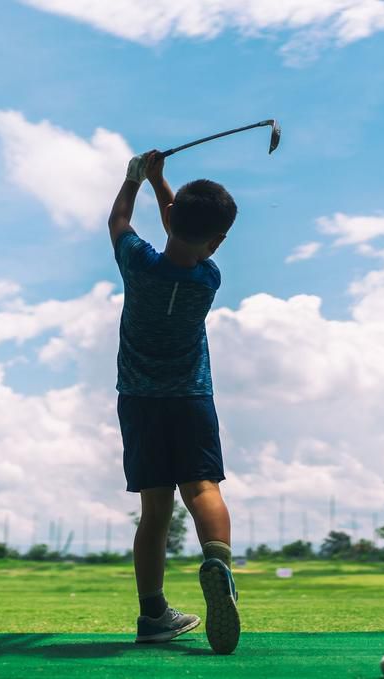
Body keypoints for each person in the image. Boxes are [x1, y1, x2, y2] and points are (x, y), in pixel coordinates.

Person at [107, 150, 240, 654]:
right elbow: (184, 232)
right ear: (218, 240)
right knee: (202, 487)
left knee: (155, 512)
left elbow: (120, 220)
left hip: (140, 403)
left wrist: (135, 177)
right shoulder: (209, 279)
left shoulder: (138, 264)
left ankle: (153, 614)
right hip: (191, 399)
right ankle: (218, 565)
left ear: (170, 222)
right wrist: (164, 183)